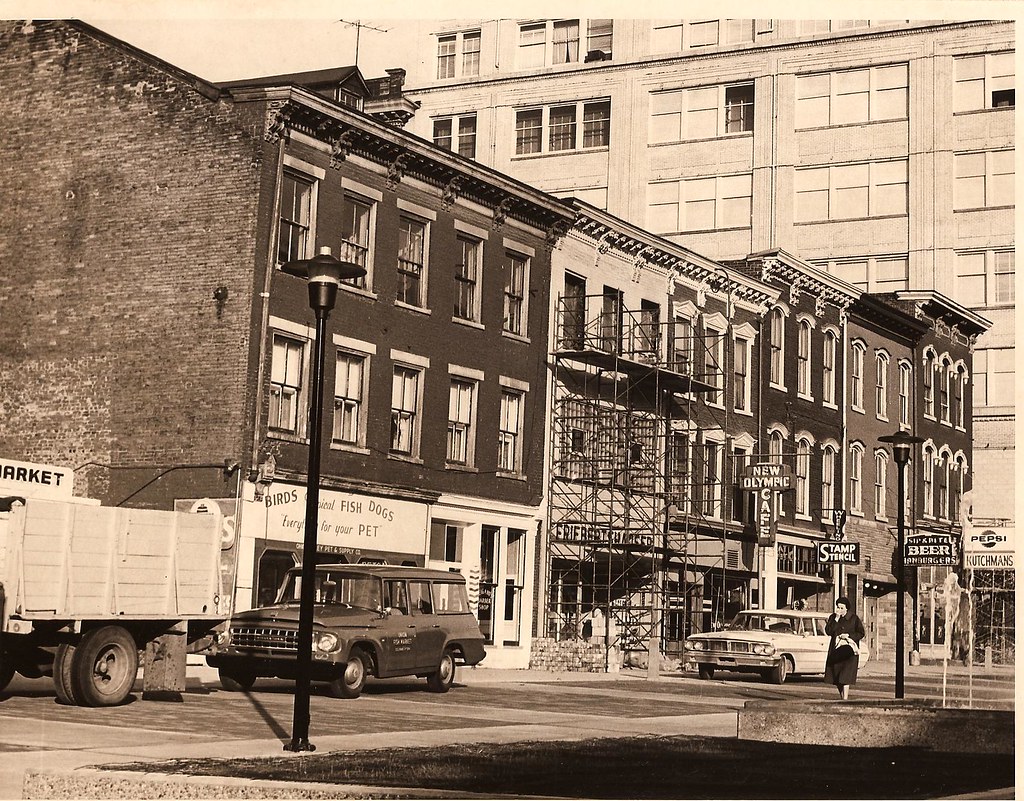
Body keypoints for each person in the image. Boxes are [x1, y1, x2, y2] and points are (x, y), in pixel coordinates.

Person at [824, 596, 865, 700]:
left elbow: (861, 633)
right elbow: (829, 631)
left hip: (849, 651)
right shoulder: (833, 618)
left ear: (847, 608)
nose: (839, 610)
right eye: (838, 607)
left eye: (842, 608)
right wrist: (836, 620)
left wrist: (849, 635)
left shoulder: (854, 618)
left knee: (845, 676)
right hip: (836, 650)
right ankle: (843, 697)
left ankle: (845, 699)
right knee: (836, 676)